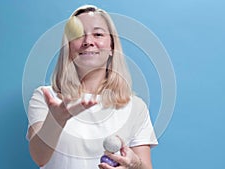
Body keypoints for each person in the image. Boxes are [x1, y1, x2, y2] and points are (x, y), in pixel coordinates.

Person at [26, 5, 158, 169]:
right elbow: (39, 158)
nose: (88, 42)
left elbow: (145, 167)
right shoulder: (47, 97)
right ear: (68, 47)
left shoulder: (136, 106)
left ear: (112, 47)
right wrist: (57, 119)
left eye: (98, 34)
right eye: (79, 35)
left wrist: (134, 164)